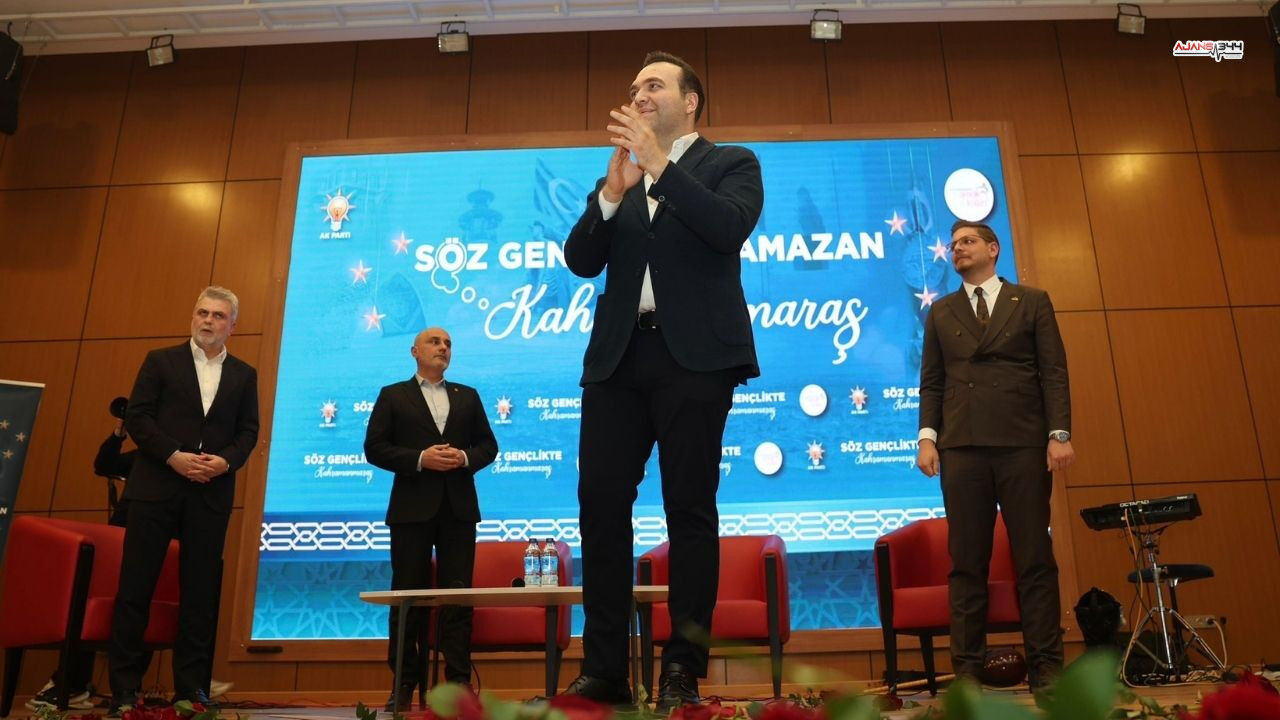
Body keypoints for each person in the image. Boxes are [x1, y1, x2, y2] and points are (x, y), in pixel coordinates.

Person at [561, 51, 764, 711]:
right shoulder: (621, 175)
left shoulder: (731, 163)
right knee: (600, 506)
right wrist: (611, 194)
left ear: (691, 101)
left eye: (653, 84)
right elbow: (580, 260)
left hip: (695, 361)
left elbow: (726, 229)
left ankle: (682, 669)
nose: (639, 94)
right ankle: (604, 672)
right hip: (618, 361)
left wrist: (660, 165)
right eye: (634, 87)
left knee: (690, 509)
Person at [915, 221, 1075, 693]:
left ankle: (1047, 668)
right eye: (953, 245)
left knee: (1034, 558)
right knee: (967, 562)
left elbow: (1053, 372)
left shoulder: (1032, 301)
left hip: (1022, 442)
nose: (957, 249)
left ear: (993, 248)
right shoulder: (941, 311)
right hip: (962, 445)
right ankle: (966, 674)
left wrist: (1058, 433)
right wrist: (927, 439)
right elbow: (932, 382)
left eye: (967, 242)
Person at [108, 287, 259, 715]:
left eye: (218, 315)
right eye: (202, 313)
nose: (208, 321)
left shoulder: (244, 374)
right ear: (193, 316)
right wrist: (173, 456)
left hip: (209, 493)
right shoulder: (161, 361)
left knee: (200, 595)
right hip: (156, 488)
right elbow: (139, 417)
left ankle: (191, 691)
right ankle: (124, 690)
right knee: (135, 588)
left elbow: (248, 431)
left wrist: (225, 462)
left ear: (233, 325)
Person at [364, 327, 498, 711]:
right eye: (435, 342)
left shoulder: (467, 395)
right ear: (414, 351)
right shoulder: (393, 395)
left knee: (458, 598)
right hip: (411, 511)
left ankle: (458, 685)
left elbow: (488, 446)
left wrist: (465, 458)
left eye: (448, 344)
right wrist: (420, 459)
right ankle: (404, 684)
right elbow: (375, 448)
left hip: (459, 510)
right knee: (407, 597)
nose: (443, 348)